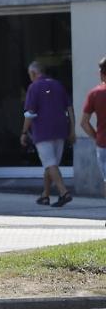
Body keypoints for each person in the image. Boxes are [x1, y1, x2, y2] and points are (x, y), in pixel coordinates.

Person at [22, 61, 75, 207]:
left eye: (29, 75)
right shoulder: (58, 85)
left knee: (50, 164)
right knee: (51, 165)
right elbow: (70, 108)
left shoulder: (34, 87)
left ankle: (64, 192)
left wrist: (24, 132)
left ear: (33, 73)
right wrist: (72, 130)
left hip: (43, 132)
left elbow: (30, 113)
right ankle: (45, 195)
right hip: (61, 130)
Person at [80, 56, 106, 201]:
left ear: (102, 73)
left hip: (103, 144)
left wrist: (97, 137)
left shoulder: (95, 94)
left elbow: (84, 123)